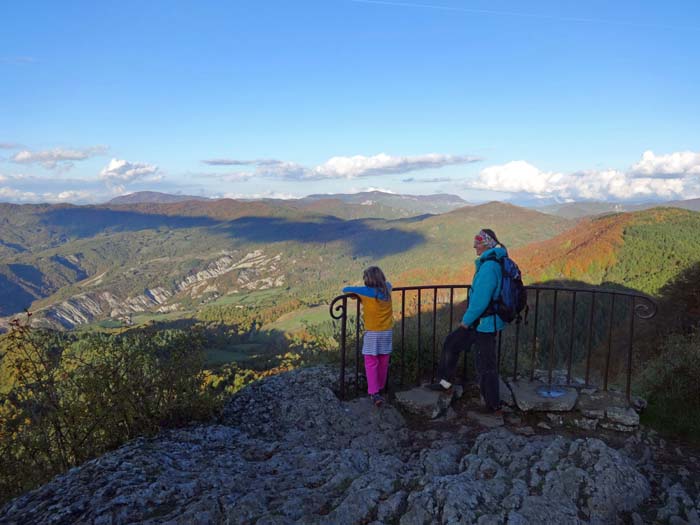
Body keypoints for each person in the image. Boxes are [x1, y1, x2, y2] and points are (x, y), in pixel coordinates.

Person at [428, 228, 506, 413]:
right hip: (481, 322)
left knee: (485, 364)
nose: (474, 246)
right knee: (452, 344)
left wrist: (465, 321)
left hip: (484, 323)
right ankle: (445, 383)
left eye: (477, 243)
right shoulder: (492, 262)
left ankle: (493, 404)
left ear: (486, 244)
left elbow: (480, 300)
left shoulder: (489, 267)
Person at [343, 266, 393, 407]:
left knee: (371, 362)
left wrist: (357, 295)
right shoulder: (388, 288)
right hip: (387, 332)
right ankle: (381, 387)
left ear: (368, 280)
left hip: (373, 333)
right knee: (383, 360)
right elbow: (389, 284)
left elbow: (346, 290)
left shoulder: (365, 292)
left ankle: (374, 392)